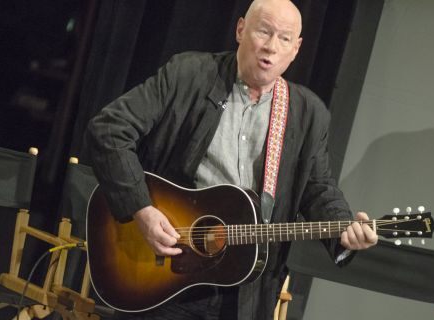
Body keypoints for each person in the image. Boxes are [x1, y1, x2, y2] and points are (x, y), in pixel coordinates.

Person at [85, 0, 378, 319]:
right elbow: (109, 129)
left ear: (296, 49)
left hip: (243, 294)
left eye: (284, 38)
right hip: (164, 272)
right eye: (263, 32)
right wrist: (141, 209)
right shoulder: (190, 74)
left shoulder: (307, 114)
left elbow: (318, 188)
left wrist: (345, 230)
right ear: (241, 30)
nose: (270, 47)